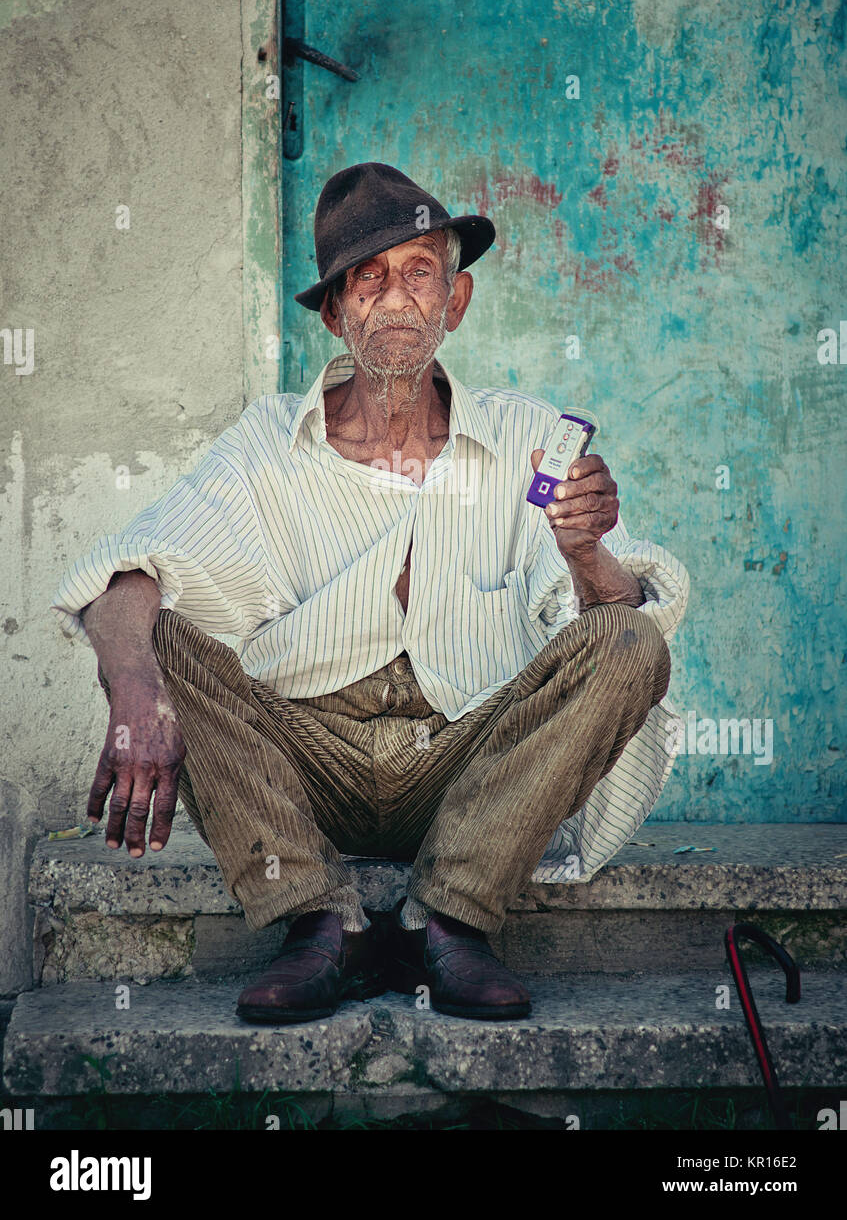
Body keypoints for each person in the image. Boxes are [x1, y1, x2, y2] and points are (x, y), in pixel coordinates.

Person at [52, 162, 689, 1025]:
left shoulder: (528, 435)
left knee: (630, 640)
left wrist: (586, 553)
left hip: (469, 753)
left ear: (453, 303)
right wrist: (131, 686)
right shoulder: (266, 443)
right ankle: (321, 922)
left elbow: (609, 615)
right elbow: (130, 574)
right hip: (305, 758)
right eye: (368, 276)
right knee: (154, 632)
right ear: (334, 311)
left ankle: (450, 917)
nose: (395, 297)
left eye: (419, 271)